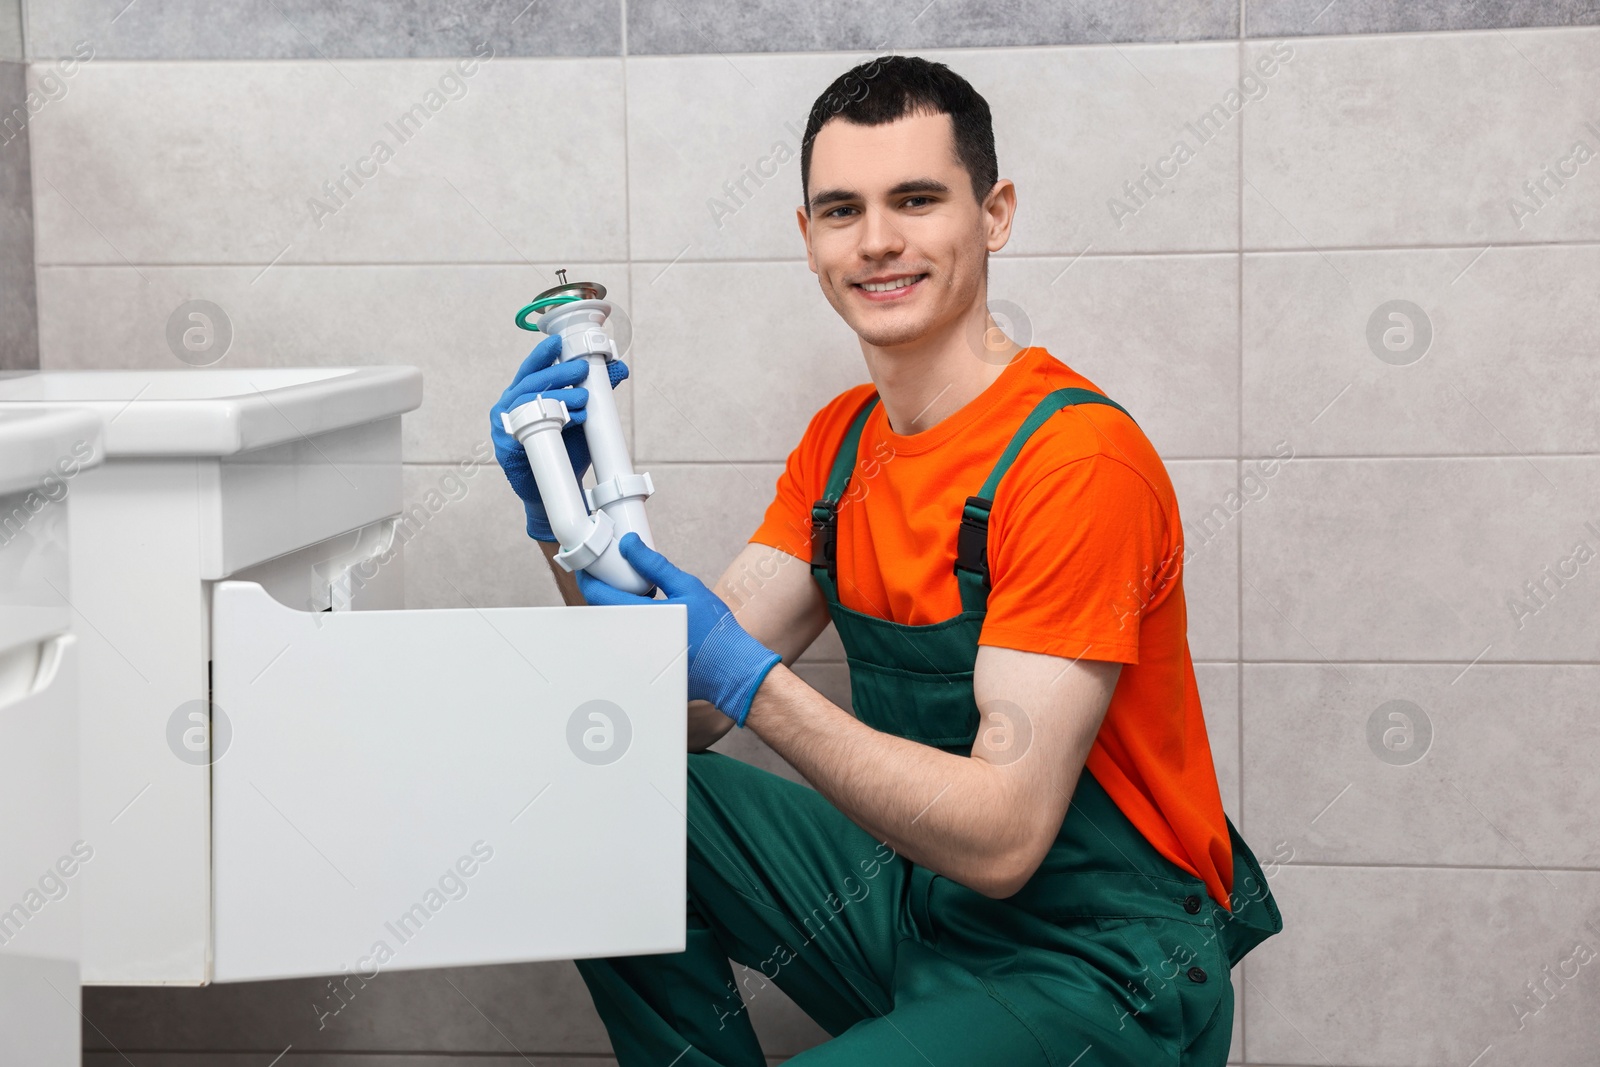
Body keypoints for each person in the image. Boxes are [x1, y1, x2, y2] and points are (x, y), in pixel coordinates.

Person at [490, 54, 1282, 1067]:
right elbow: (674, 704)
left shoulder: (1074, 461)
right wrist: (566, 516)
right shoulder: (843, 447)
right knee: (596, 785)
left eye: (915, 199)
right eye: (840, 210)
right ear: (806, 235)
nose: (875, 242)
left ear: (992, 214)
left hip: (1101, 970)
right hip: (920, 909)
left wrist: (749, 675)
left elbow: (1002, 836)